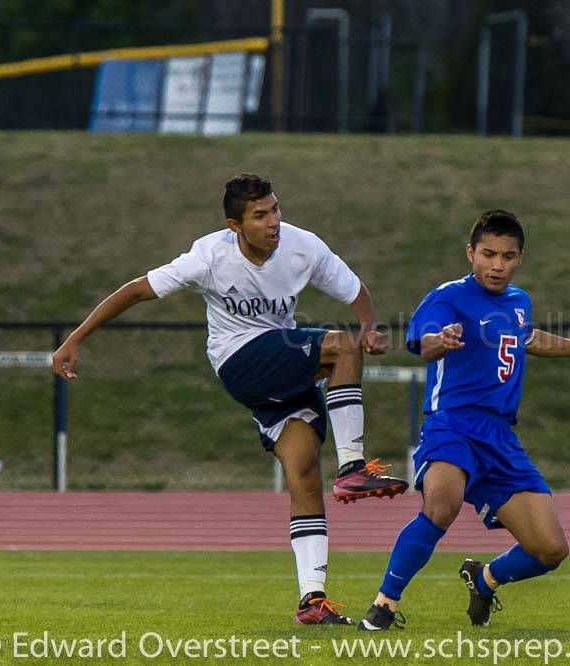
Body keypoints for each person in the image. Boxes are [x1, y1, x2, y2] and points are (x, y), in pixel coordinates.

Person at [52, 173, 408, 625]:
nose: (273, 222)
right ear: (234, 225)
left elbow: (356, 292)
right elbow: (137, 290)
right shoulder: (209, 255)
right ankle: (354, 468)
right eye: (260, 215)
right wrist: (75, 338)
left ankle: (312, 599)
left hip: (281, 371)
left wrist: (371, 325)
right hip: (238, 361)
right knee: (342, 347)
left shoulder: (303, 246)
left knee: (303, 472)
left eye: (275, 209)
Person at [356, 209, 570, 631]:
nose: (497, 265)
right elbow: (422, 344)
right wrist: (439, 341)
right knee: (440, 507)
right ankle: (384, 604)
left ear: (519, 258)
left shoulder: (518, 302)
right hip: (452, 424)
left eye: (508, 256)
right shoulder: (447, 297)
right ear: (470, 253)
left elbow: (528, 337)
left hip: (499, 438)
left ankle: (484, 579)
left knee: (551, 550)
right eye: (488, 254)